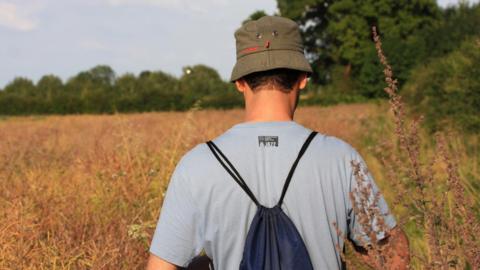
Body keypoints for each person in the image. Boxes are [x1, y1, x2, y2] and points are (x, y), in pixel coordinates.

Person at [147, 16, 409, 270]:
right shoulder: (341, 158)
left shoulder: (197, 165)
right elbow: (395, 257)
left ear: (240, 82)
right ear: (303, 79)